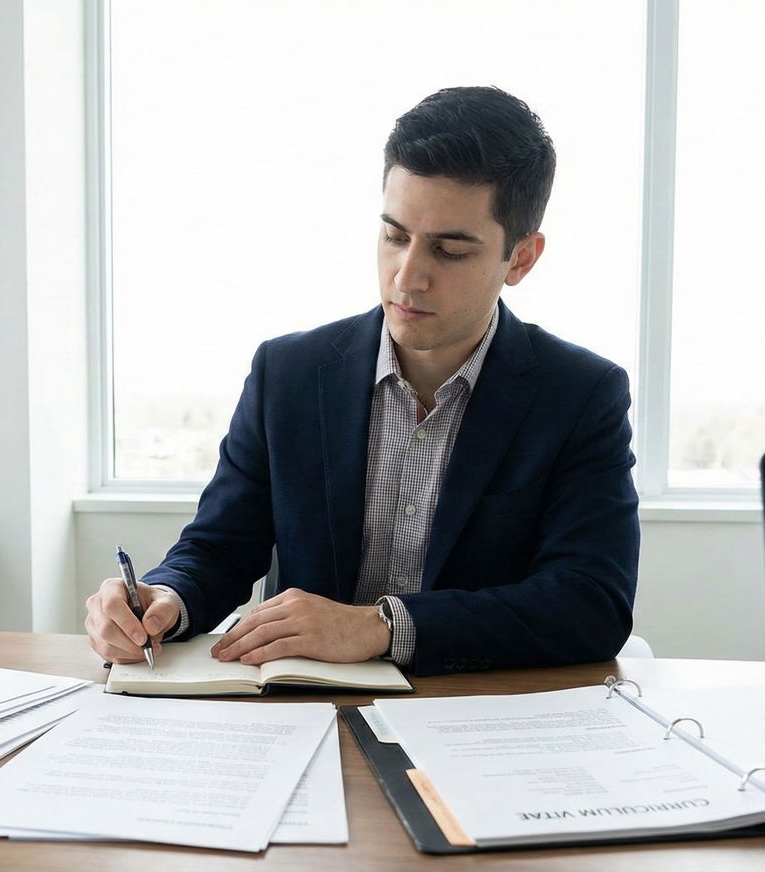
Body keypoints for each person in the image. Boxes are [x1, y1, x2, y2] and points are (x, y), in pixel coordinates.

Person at [85, 86, 639, 676]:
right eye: (395, 236)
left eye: (449, 251)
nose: (409, 276)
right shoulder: (288, 374)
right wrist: (168, 597)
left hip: (472, 711)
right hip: (306, 706)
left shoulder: (580, 394)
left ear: (522, 258)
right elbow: (219, 547)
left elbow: (591, 603)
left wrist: (381, 626)